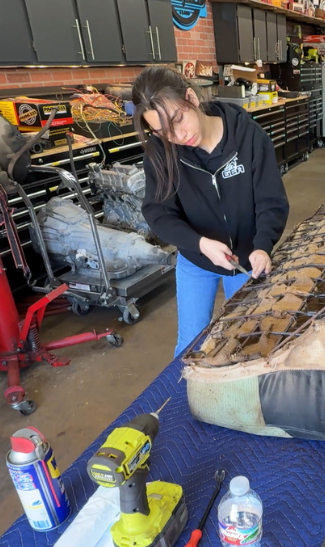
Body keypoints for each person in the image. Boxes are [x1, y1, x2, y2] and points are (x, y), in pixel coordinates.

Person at [134, 66, 289, 358]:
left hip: (246, 260)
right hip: (196, 260)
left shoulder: (249, 136)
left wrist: (263, 246)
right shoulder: (160, 152)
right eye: (162, 131)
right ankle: (185, 402)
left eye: (178, 120)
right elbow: (158, 212)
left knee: (246, 342)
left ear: (191, 98)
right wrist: (200, 244)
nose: (177, 136)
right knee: (189, 348)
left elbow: (271, 201)